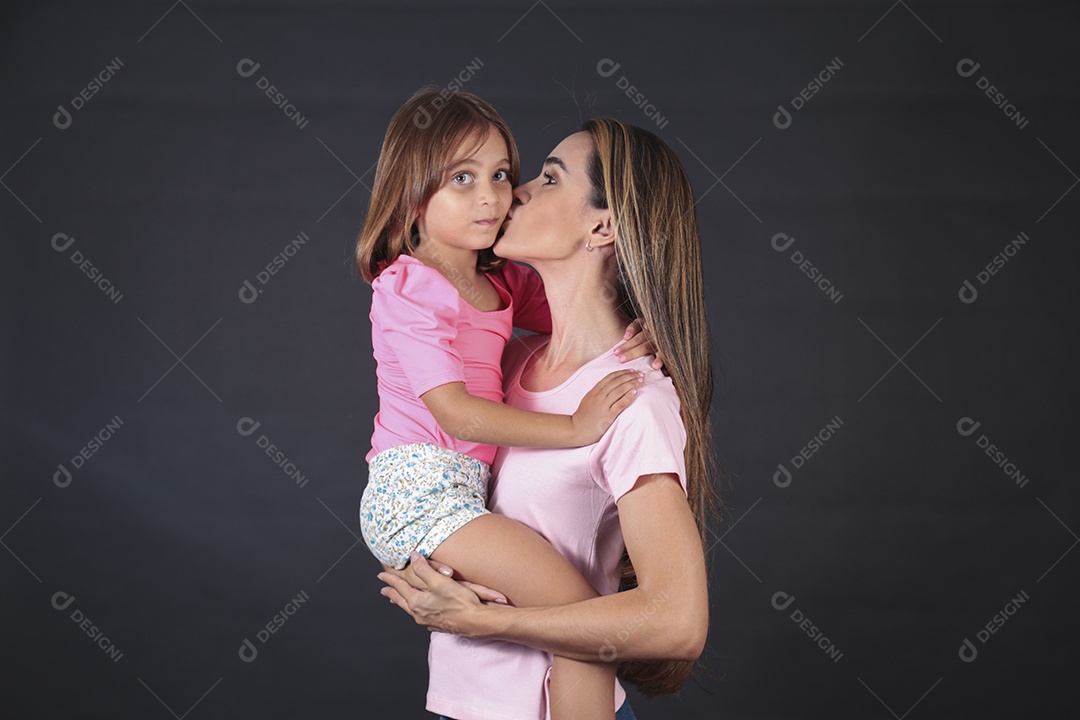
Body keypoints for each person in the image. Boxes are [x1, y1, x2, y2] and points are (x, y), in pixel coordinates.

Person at [378, 117, 720, 720]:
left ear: (603, 225)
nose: (516, 192)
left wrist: (487, 621)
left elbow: (678, 622)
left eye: (548, 178)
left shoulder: (630, 402)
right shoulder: (510, 364)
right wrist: (439, 588)